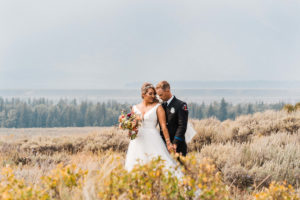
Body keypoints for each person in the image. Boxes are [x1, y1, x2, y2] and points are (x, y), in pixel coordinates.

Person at [124, 82, 180, 174]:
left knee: (160, 164)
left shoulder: (158, 107)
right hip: (138, 140)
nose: (153, 96)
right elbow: (132, 126)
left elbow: (163, 127)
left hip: (153, 139)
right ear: (143, 94)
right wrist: (131, 129)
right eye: (150, 93)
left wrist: (168, 143)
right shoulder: (134, 108)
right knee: (136, 165)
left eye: (154, 94)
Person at [156, 81, 189, 156]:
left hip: (178, 146)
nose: (160, 97)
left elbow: (182, 126)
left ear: (167, 90)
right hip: (163, 145)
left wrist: (175, 143)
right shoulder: (161, 106)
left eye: (161, 95)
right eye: (158, 95)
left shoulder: (181, 105)